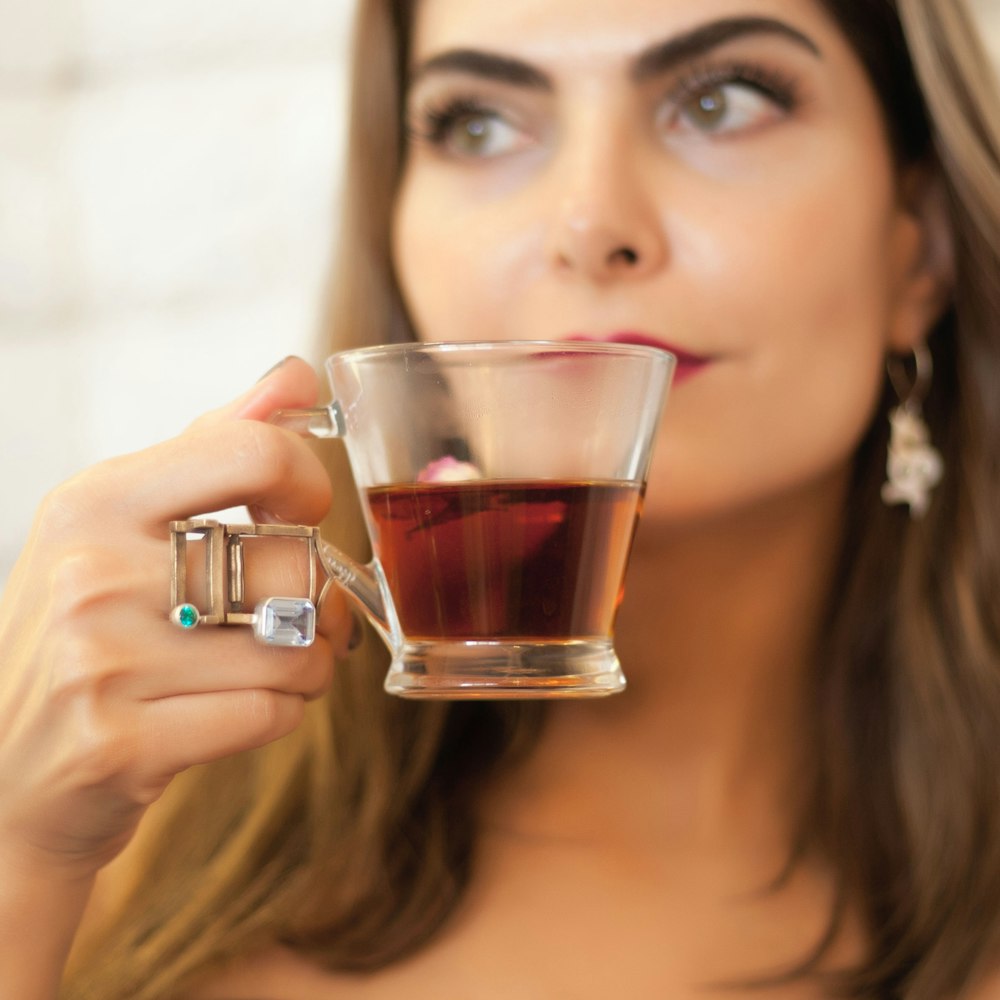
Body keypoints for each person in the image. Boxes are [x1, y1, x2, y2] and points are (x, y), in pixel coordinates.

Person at [2, 0, 1000, 996]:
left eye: (719, 100)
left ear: (920, 248)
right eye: (477, 123)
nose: (587, 225)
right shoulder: (112, 826)